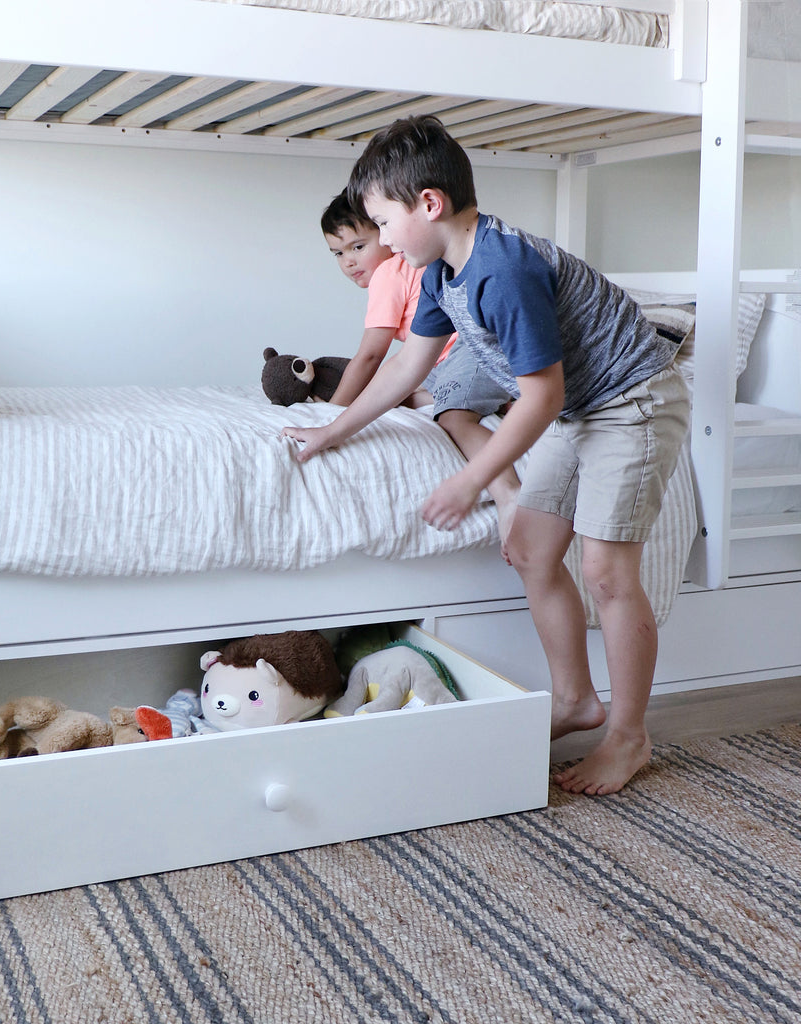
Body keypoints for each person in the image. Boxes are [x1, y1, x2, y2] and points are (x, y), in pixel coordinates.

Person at [284, 115, 690, 796]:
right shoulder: (443, 271)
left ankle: (628, 736)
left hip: (632, 400)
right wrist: (333, 429)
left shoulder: (502, 269)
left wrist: (472, 480)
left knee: (607, 572)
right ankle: (573, 702)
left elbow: (538, 394)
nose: (380, 241)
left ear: (429, 204)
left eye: (383, 223)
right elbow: (408, 368)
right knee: (530, 547)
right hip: (577, 406)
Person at [321, 189, 522, 557]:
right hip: (446, 358)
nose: (348, 261)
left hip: (471, 350)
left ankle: (509, 495)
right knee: (403, 398)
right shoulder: (416, 270)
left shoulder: (389, 274)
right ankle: (505, 394)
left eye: (358, 246)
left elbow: (370, 355)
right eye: (338, 252)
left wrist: (331, 414)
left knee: (453, 417)